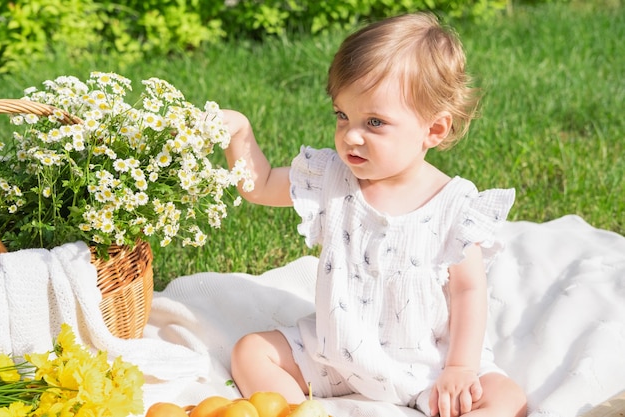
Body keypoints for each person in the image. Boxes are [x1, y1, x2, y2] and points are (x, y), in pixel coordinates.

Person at [221, 12, 527, 417]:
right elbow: (258, 187)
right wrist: (238, 134)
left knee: (508, 398)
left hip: (428, 365)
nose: (350, 135)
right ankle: (302, 412)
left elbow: (468, 290)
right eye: (342, 115)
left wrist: (460, 367)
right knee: (251, 352)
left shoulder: (453, 205)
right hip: (338, 353)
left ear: (433, 131)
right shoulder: (331, 177)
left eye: (375, 122)